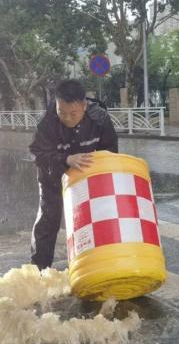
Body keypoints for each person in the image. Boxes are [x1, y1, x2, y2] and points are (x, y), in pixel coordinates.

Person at [29, 79, 118, 269]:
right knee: (48, 220)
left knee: (95, 218)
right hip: (53, 178)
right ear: (56, 104)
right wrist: (66, 160)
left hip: (88, 178)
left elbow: (110, 152)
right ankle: (39, 270)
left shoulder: (100, 120)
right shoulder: (47, 123)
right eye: (62, 112)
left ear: (84, 106)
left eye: (73, 113)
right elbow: (37, 154)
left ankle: (96, 266)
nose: (67, 118)